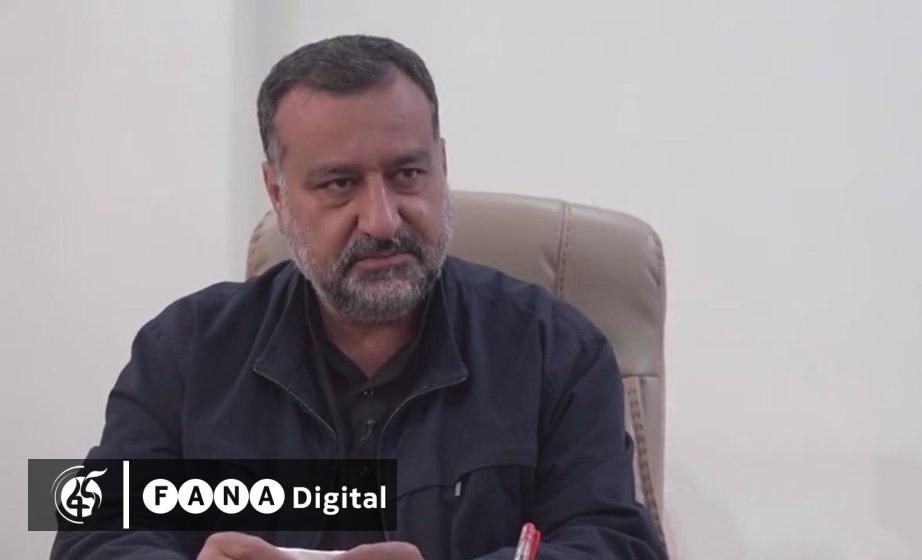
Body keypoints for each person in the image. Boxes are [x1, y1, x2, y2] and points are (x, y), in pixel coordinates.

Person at [52, 35, 668, 560]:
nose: (381, 219)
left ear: (442, 165)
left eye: (407, 174)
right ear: (277, 192)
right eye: (339, 183)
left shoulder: (555, 348)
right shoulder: (185, 351)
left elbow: (616, 543)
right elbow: (90, 534)